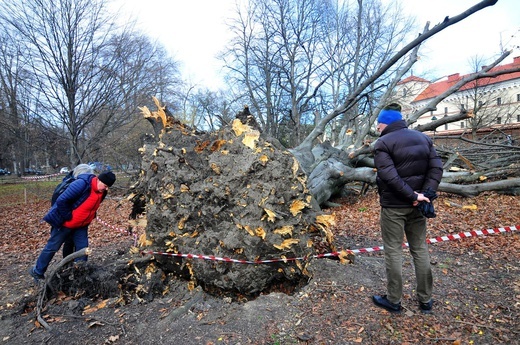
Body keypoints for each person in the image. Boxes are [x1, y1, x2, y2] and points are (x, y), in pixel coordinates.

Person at [372, 103, 443, 314]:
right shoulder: (423, 138)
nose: (377, 129)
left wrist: (414, 196)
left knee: (393, 251)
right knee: (420, 249)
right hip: (419, 205)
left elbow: (389, 176)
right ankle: (426, 300)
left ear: (385, 123)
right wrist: (424, 195)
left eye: (378, 125)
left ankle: (393, 300)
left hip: (394, 207)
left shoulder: (382, 142)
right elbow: (436, 168)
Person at [29, 166, 116, 283]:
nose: (105, 189)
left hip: (81, 226)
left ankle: (80, 276)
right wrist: (68, 217)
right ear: (99, 180)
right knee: (52, 248)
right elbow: (62, 200)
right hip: (64, 224)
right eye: (105, 186)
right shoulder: (81, 184)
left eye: (107, 187)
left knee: (83, 250)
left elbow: (92, 205)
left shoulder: (102, 192)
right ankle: (37, 272)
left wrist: (89, 216)